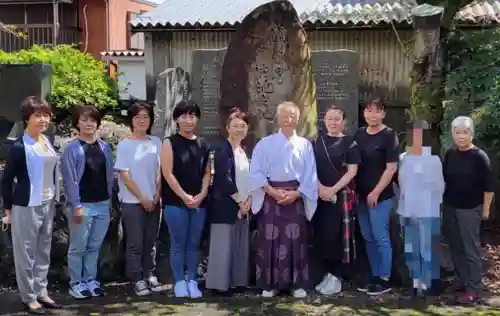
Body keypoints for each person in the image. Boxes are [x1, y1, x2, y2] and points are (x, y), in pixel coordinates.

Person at [248, 101, 318, 298]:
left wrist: (297, 193)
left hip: (295, 198)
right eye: (284, 116)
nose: (288, 120)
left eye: (292, 116)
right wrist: (271, 191)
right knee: (269, 239)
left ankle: (297, 285)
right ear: (277, 119)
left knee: (296, 240)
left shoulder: (305, 145)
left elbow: (310, 174)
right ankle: (269, 284)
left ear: (298, 119)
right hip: (271, 197)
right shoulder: (264, 144)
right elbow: (256, 172)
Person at [1, 96, 62, 315]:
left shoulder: (46, 140)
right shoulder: (19, 146)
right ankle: (29, 297)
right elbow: (6, 179)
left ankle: (41, 291)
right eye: (37, 115)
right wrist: (7, 207)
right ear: (27, 118)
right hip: (26, 204)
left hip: (47, 202)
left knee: (43, 249)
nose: (42, 120)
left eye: (46, 115)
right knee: (26, 253)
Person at [61, 105, 114, 299]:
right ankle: (76, 282)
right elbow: (69, 180)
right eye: (84, 120)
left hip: (102, 203)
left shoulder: (104, 147)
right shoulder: (72, 149)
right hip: (82, 204)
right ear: (77, 123)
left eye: (92, 120)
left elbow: (109, 177)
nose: (89, 123)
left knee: (94, 246)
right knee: (78, 247)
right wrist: (76, 205)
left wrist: (109, 201)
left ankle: (91, 280)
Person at [160, 100, 211, 298]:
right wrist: (184, 196)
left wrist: (202, 194)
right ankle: (179, 281)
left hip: (199, 202)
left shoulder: (203, 144)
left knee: (194, 244)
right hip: (175, 202)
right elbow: (167, 172)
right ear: (176, 119)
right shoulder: (169, 142)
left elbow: (207, 172)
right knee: (178, 243)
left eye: (192, 115)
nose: (188, 120)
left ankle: (192, 281)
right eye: (184, 116)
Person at [442, 116, 494, 304]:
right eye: (457, 132)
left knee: (470, 249)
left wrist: (485, 210)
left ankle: (474, 288)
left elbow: (489, 187)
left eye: (465, 132)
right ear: (452, 134)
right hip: (450, 206)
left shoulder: (480, 157)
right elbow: (445, 180)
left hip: (471, 209)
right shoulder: (449, 154)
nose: (461, 136)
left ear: (472, 134)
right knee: (455, 246)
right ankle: (462, 280)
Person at [114, 102, 164, 296]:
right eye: (137, 117)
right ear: (131, 121)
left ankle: (149, 274)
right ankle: (136, 278)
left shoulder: (156, 143)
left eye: (145, 116)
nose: (142, 120)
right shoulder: (126, 144)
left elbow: (161, 171)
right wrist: (142, 197)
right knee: (135, 242)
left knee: (151, 241)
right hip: (132, 201)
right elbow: (124, 175)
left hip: (154, 200)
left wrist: (157, 194)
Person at [312, 106, 360, 295]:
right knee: (322, 235)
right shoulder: (316, 142)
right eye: (330, 118)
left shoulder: (350, 143)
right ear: (324, 121)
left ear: (343, 121)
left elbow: (352, 171)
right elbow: (309, 167)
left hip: (340, 196)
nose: (333, 122)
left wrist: (333, 189)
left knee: (338, 236)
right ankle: (325, 274)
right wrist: (320, 188)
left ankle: (337, 276)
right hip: (320, 195)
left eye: (337, 119)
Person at [354, 98, 398, 296]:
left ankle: (384, 277)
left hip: (380, 196)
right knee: (367, 236)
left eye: (377, 111)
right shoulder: (359, 134)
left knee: (380, 235)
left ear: (383, 114)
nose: (372, 115)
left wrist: (376, 192)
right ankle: (374, 274)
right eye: (368, 111)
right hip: (360, 196)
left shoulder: (389, 135)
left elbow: (391, 168)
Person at [206, 108, 251, 296]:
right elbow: (222, 178)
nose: (239, 130)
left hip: (243, 204)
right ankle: (219, 284)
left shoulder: (242, 151)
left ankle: (237, 281)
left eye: (242, 126)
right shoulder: (221, 149)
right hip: (225, 204)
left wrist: (248, 199)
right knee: (222, 245)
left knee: (239, 244)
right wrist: (239, 200)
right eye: (235, 126)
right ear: (227, 128)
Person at [398, 120, 444, 298]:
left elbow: (439, 186)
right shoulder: (403, 157)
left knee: (427, 248)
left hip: (428, 210)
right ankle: (415, 281)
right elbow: (401, 184)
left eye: (420, 134)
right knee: (411, 248)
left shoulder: (434, 159)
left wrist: (433, 204)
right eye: (414, 133)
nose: (417, 137)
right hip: (408, 209)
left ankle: (427, 283)